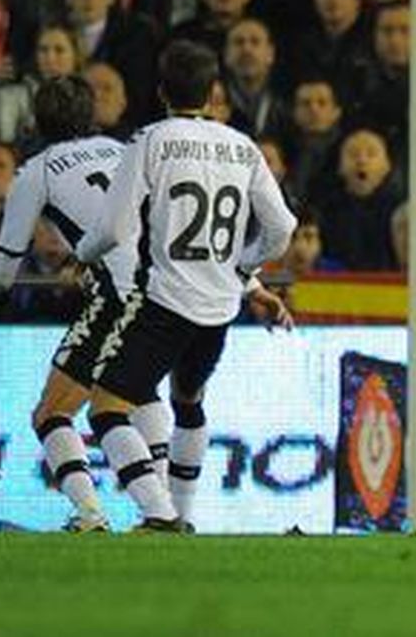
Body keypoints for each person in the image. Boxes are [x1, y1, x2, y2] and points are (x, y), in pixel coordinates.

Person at [78, 41, 296, 531]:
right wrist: (243, 272)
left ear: (160, 92)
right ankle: (184, 516)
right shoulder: (242, 146)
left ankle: (159, 513)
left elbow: (114, 228)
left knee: (108, 407)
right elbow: (281, 226)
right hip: (220, 306)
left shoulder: (150, 140)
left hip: (165, 299)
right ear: (213, 92)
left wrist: (83, 255)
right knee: (188, 401)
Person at [0, 76, 141, 531]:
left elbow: (5, 264)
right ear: (92, 113)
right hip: (171, 287)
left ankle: (92, 513)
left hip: (118, 293)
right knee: (141, 404)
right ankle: (168, 511)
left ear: (37, 120)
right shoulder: (125, 149)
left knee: (52, 412)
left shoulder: (36, 171)